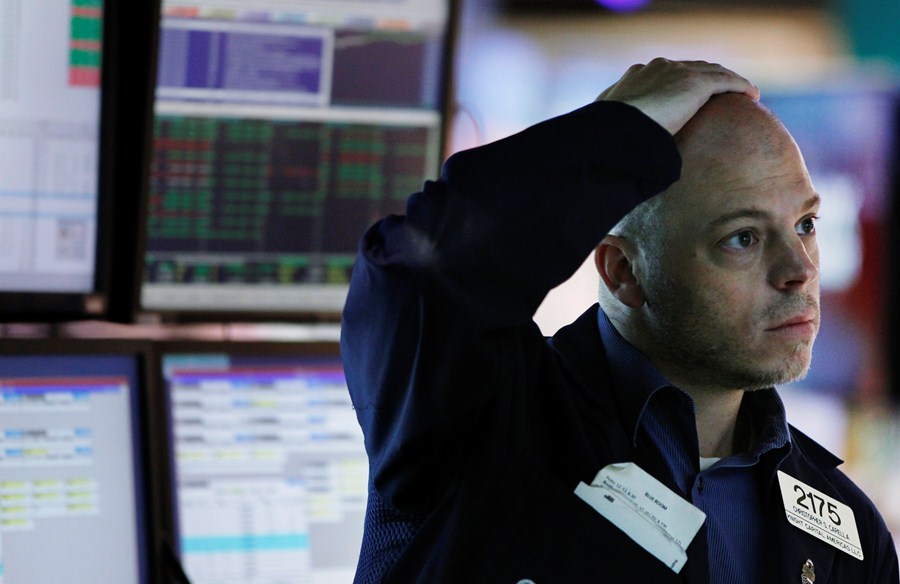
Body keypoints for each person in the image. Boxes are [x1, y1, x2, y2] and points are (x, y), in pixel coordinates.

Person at [340, 58, 899, 583]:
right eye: (743, 238)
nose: (800, 270)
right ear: (623, 271)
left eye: (805, 225)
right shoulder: (480, 417)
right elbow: (417, 275)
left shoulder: (849, 529)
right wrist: (618, 131)